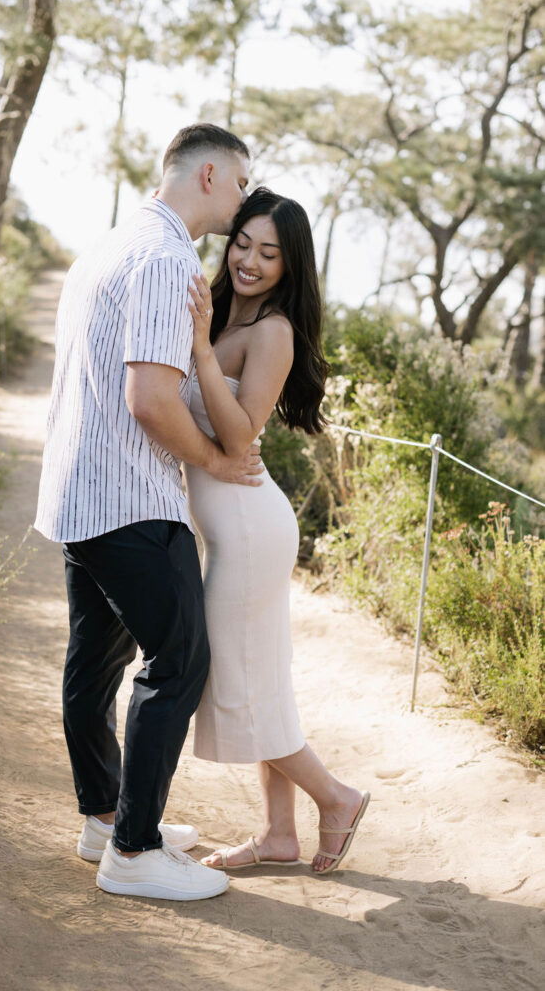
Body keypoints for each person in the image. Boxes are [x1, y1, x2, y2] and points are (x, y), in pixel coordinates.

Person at [34, 123, 264, 901]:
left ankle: (104, 817)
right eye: (239, 180)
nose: (242, 195)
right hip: (131, 498)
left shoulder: (108, 245)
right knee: (179, 663)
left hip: (78, 493)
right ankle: (131, 853)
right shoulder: (167, 259)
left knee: (94, 666)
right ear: (206, 177)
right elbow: (148, 400)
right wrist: (218, 460)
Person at [183, 188, 370, 874]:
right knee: (264, 682)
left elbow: (238, 437)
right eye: (242, 244)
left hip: (249, 532)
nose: (250, 262)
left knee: (238, 682)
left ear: (289, 266)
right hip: (232, 527)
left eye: (269, 253)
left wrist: (202, 352)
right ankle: (278, 837)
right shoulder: (221, 312)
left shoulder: (272, 333)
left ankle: (337, 798)